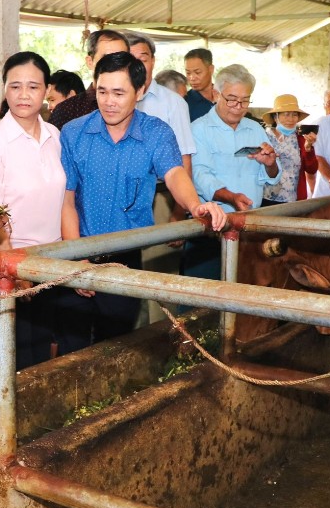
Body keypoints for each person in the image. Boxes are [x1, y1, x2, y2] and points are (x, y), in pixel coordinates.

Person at [60, 51, 226, 351]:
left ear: (140, 92)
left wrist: (194, 206)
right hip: (78, 252)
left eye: (119, 93)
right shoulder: (74, 133)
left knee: (116, 346)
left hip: (125, 259)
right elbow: (67, 200)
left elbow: (175, 173)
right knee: (72, 349)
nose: (109, 101)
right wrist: (76, 260)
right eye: (102, 91)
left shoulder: (156, 133)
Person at [0, 51, 65, 369]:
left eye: (33, 86)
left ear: (46, 89)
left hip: (54, 265)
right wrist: (14, 265)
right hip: (16, 268)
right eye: (15, 86)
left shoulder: (56, 137)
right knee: (16, 358)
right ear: (4, 90)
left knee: (46, 355)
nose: (23, 95)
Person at [188, 64, 278, 278]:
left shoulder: (255, 129)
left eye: (245, 100)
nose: (238, 106)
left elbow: (273, 177)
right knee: (203, 298)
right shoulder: (199, 129)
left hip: (250, 227)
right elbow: (200, 175)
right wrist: (231, 198)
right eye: (232, 99)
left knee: (246, 292)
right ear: (216, 94)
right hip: (210, 228)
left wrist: (270, 163)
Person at [125, 33, 195, 175]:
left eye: (142, 60)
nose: (137, 67)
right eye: (130, 61)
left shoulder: (174, 102)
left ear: (152, 61)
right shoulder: (113, 99)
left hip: (161, 187)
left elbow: (184, 155)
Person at [47, 30, 130, 128]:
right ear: (90, 62)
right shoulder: (66, 111)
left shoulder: (136, 106)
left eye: (121, 59)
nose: (115, 65)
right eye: (107, 58)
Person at [260, 94, 317, 205]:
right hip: (265, 199)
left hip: (293, 201)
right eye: (286, 115)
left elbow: (312, 169)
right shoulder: (264, 137)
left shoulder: (300, 139)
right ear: (276, 117)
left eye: (294, 115)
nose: (291, 119)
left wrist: (308, 149)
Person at [183, 48, 217, 121]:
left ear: (211, 69)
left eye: (197, 72)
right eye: (188, 73)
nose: (192, 78)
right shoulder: (185, 103)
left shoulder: (225, 96)